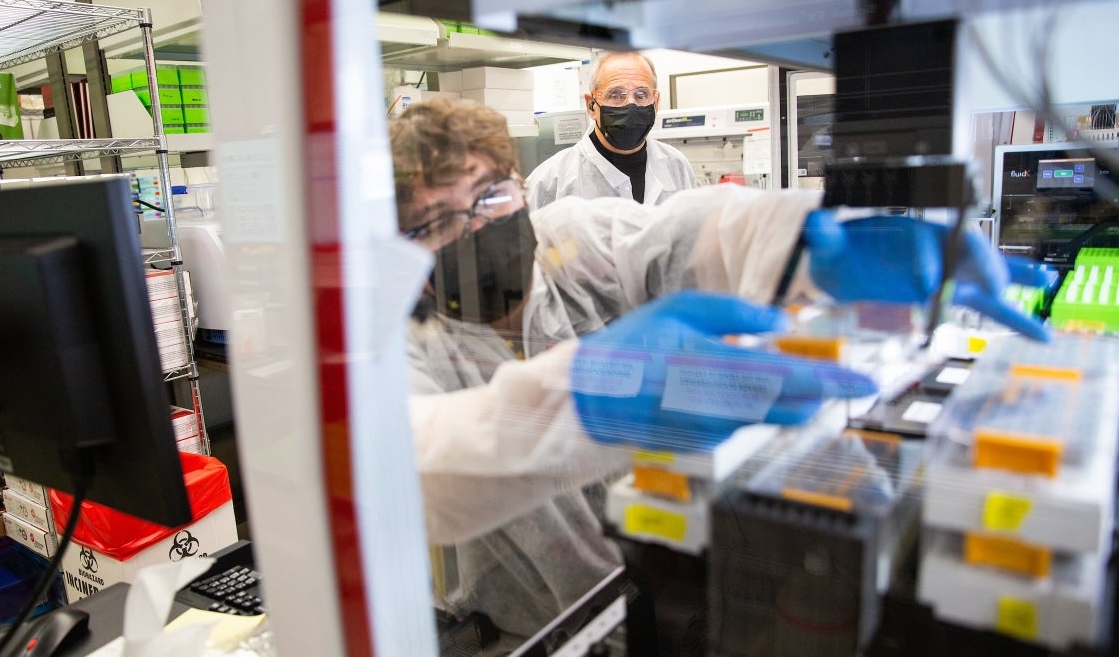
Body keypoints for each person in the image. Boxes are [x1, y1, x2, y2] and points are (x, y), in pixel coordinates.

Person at [390, 98, 1047, 653]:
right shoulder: (404, 339)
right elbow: (416, 469)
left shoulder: (569, 242)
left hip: (659, 576)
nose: (475, 227)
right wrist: (593, 395)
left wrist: (810, 248)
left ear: (521, 186)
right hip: (528, 628)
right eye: (437, 221)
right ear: (401, 244)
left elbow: (693, 232)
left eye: (489, 195)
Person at [525, 51, 697, 209]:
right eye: (615, 95)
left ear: (656, 102)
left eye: (641, 95)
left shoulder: (676, 165)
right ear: (591, 105)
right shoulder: (550, 180)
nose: (630, 105)